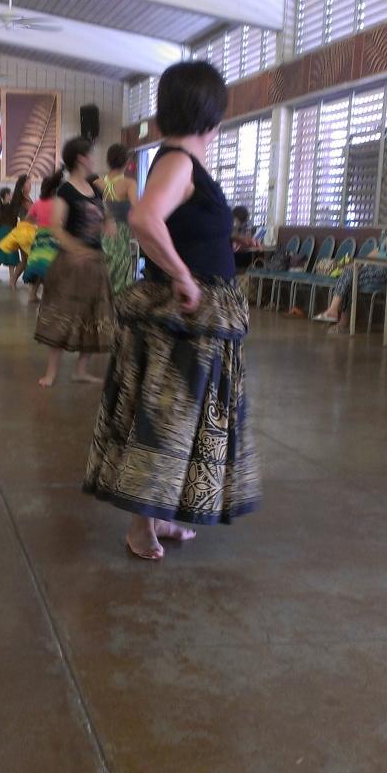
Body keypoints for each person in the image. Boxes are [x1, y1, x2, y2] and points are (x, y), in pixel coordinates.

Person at [83, 60, 260, 561]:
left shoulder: (178, 160)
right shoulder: (179, 161)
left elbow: (170, 224)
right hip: (184, 317)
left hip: (195, 316)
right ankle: (142, 525)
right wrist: (183, 275)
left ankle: (158, 516)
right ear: (214, 114)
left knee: (182, 418)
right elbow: (144, 219)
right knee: (168, 418)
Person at [34, 137, 114, 387]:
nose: (94, 159)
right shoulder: (66, 191)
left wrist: (109, 223)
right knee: (63, 313)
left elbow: (106, 216)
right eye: (91, 154)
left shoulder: (96, 189)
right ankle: (51, 373)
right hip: (71, 264)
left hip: (94, 262)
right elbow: (55, 227)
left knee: (93, 314)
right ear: (81, 158)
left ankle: (81, 370)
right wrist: (76, 249)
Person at [313, 201, 387, 332]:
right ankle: (335, 313)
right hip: (380, 270)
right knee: (350, 273)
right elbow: (379, 250)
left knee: (350, 278)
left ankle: (338, 317)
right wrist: (361, 262)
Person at [101, 143, 137, 295]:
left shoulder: (98, 182)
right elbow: (136, 210)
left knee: (103, 274)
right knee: (121, 278)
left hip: (101, 233)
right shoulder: (129, 183)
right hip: (121, 234)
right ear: (127, 161)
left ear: (107, 160)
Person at [23, 169, 63, 302]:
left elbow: (27, 218)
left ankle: (32, 294)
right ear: (54, 190)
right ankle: (51, 296)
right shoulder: (57, 204)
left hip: (39, 237)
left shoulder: (37, 204)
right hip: (53, 237)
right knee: (52, 266)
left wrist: (38, 221)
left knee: (39, 265)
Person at [0, 173, 36, 287]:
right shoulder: (22, 199)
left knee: (25, 260)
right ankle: (30, 285)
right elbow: (32, 213)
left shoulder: (26, 198)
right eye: (28, 183)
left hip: (26, 230)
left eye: (30, 183)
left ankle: (13, 281)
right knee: (29, 259)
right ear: (22, 186)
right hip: (25, 232)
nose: (30, 185)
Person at [231, 205, 260, 272]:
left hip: (242, 254)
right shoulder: (230, 226)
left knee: (257, 254)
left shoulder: (246, 226)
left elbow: (247, 238)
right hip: (235, 256)